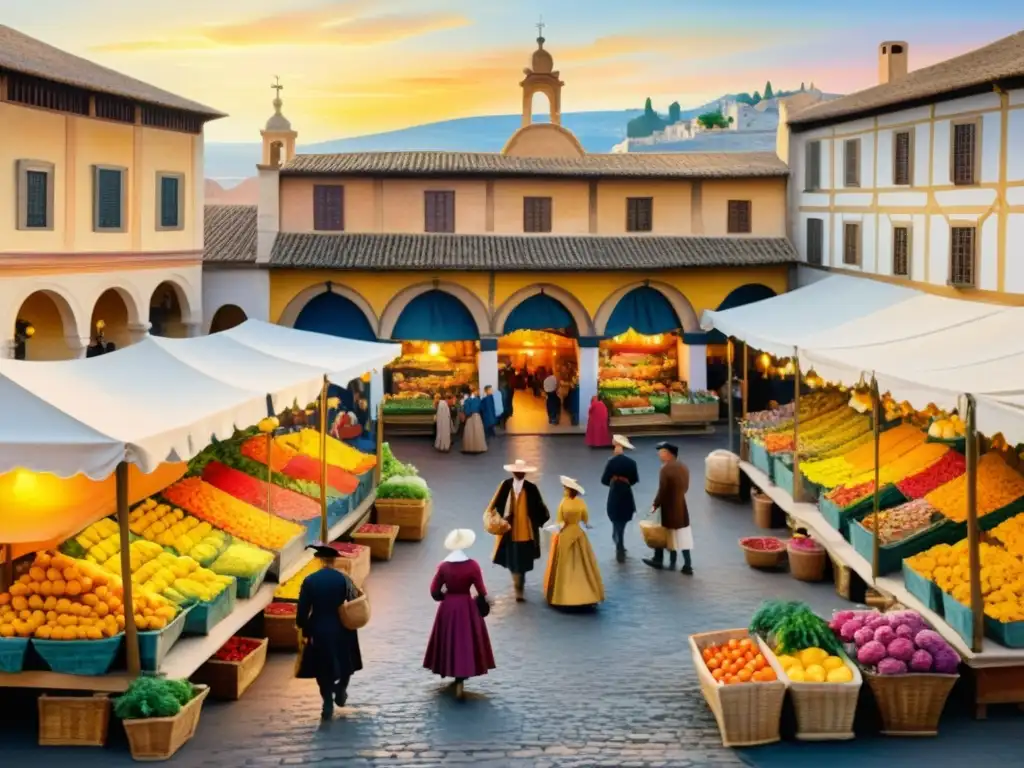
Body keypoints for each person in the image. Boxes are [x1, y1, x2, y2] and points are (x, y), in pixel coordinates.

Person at [423, 529, 496, 700]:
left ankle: (452, 672)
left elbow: (434, 590)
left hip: (448, 607)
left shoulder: (443, 566)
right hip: (466, 606)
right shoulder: (473, 565)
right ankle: (461, 679)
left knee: (449, 640)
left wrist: (442, 597)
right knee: (465, 642)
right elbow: (481, 590)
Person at [295, 544, 364, 720]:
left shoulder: (310, 580)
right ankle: (341, 689)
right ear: (334, 560)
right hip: (342, 626)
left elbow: (303, 610)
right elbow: (354, 599)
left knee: (322, 667)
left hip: (319, 627)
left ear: (319, 560)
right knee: (345, 662)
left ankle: (327, 702)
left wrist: (303, 628)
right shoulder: (343, 579)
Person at [485, 459, 550, 602]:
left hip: (526, 533)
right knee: (515, 562)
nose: (520, 474)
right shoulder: (506, 486)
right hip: (510, 531)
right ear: (514, 472)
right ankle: (518, 586)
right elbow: (496, 505)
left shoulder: (531, 488)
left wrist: (539, 519)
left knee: (522, 563)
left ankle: (519, 584)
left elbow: (540, 508)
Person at [543, 476, 605, 607]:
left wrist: (552, 529)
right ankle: (587, 593)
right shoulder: (581, 503)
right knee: (583, 563)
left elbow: (560, 521)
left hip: (565, 535)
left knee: (563, 566)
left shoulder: (563, 503)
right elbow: (585, 520)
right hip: (578, 534)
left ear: (568, 490)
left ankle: (563, 596)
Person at [643, 442, 694, 575]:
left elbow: (663, 490)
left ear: (668, 454)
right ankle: (687, 564)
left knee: (665, 533)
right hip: (681, 506)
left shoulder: (665, 469)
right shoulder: (684, 467)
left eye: (661, 452)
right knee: (683, 535)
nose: (659, 454)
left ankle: (662, 560)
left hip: (669, 507)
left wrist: (655, 505)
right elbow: (686, 487)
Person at [601, 434, 639, 562]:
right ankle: (620, 540)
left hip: (614, 492)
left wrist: (613, 481)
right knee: (622, 519)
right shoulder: (631, 463)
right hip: (626, 493)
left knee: (615, 517)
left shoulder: (611, 462)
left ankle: (618, 540)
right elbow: (634, 479)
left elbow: (604, 480)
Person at [460, 388, 487, 454]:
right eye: (478, 391)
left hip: (470, 418)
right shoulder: (478, 400)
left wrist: (468, 414)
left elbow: (466, 410)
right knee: (477, 432)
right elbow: (481, 409)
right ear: (474, 391)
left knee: (469, 432)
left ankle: (469, 447)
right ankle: (478, 447)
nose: (479, 392)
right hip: (477, 417)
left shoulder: (468, 400)